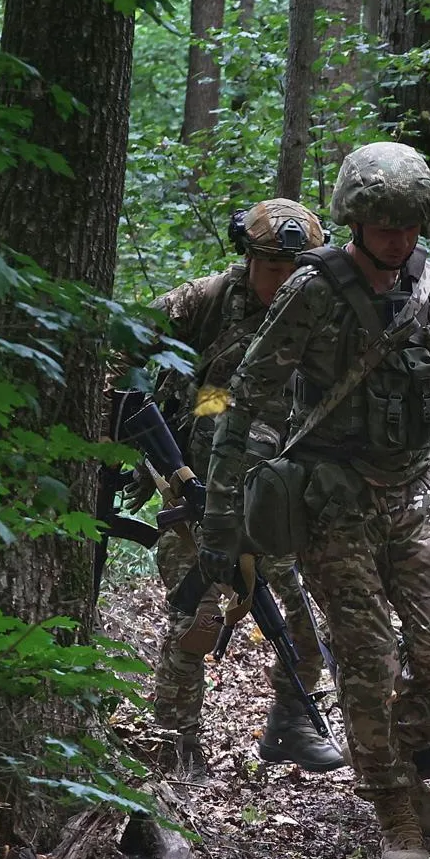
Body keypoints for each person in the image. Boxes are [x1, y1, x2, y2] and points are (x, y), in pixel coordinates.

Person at [200, 142, 430, 859]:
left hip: (416, 491)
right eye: (385, 225)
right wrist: (222, 522)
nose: (399, 239)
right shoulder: (311, 292)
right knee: (367, 655)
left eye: (411, 225)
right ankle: (391, 802)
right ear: (356, 221)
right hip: (333, 497)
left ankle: (403, 757)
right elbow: (248, 400)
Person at [144, 198, 347, 778]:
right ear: (248, 259)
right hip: (195, 492)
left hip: (279, 496)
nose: (281, 281)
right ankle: (175, 743)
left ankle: (291, 727)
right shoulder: (205, 301)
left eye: (294, 271)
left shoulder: (324, 316)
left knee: (304, 624)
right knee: (197, 621)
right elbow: (124, 338)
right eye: (271, 269)